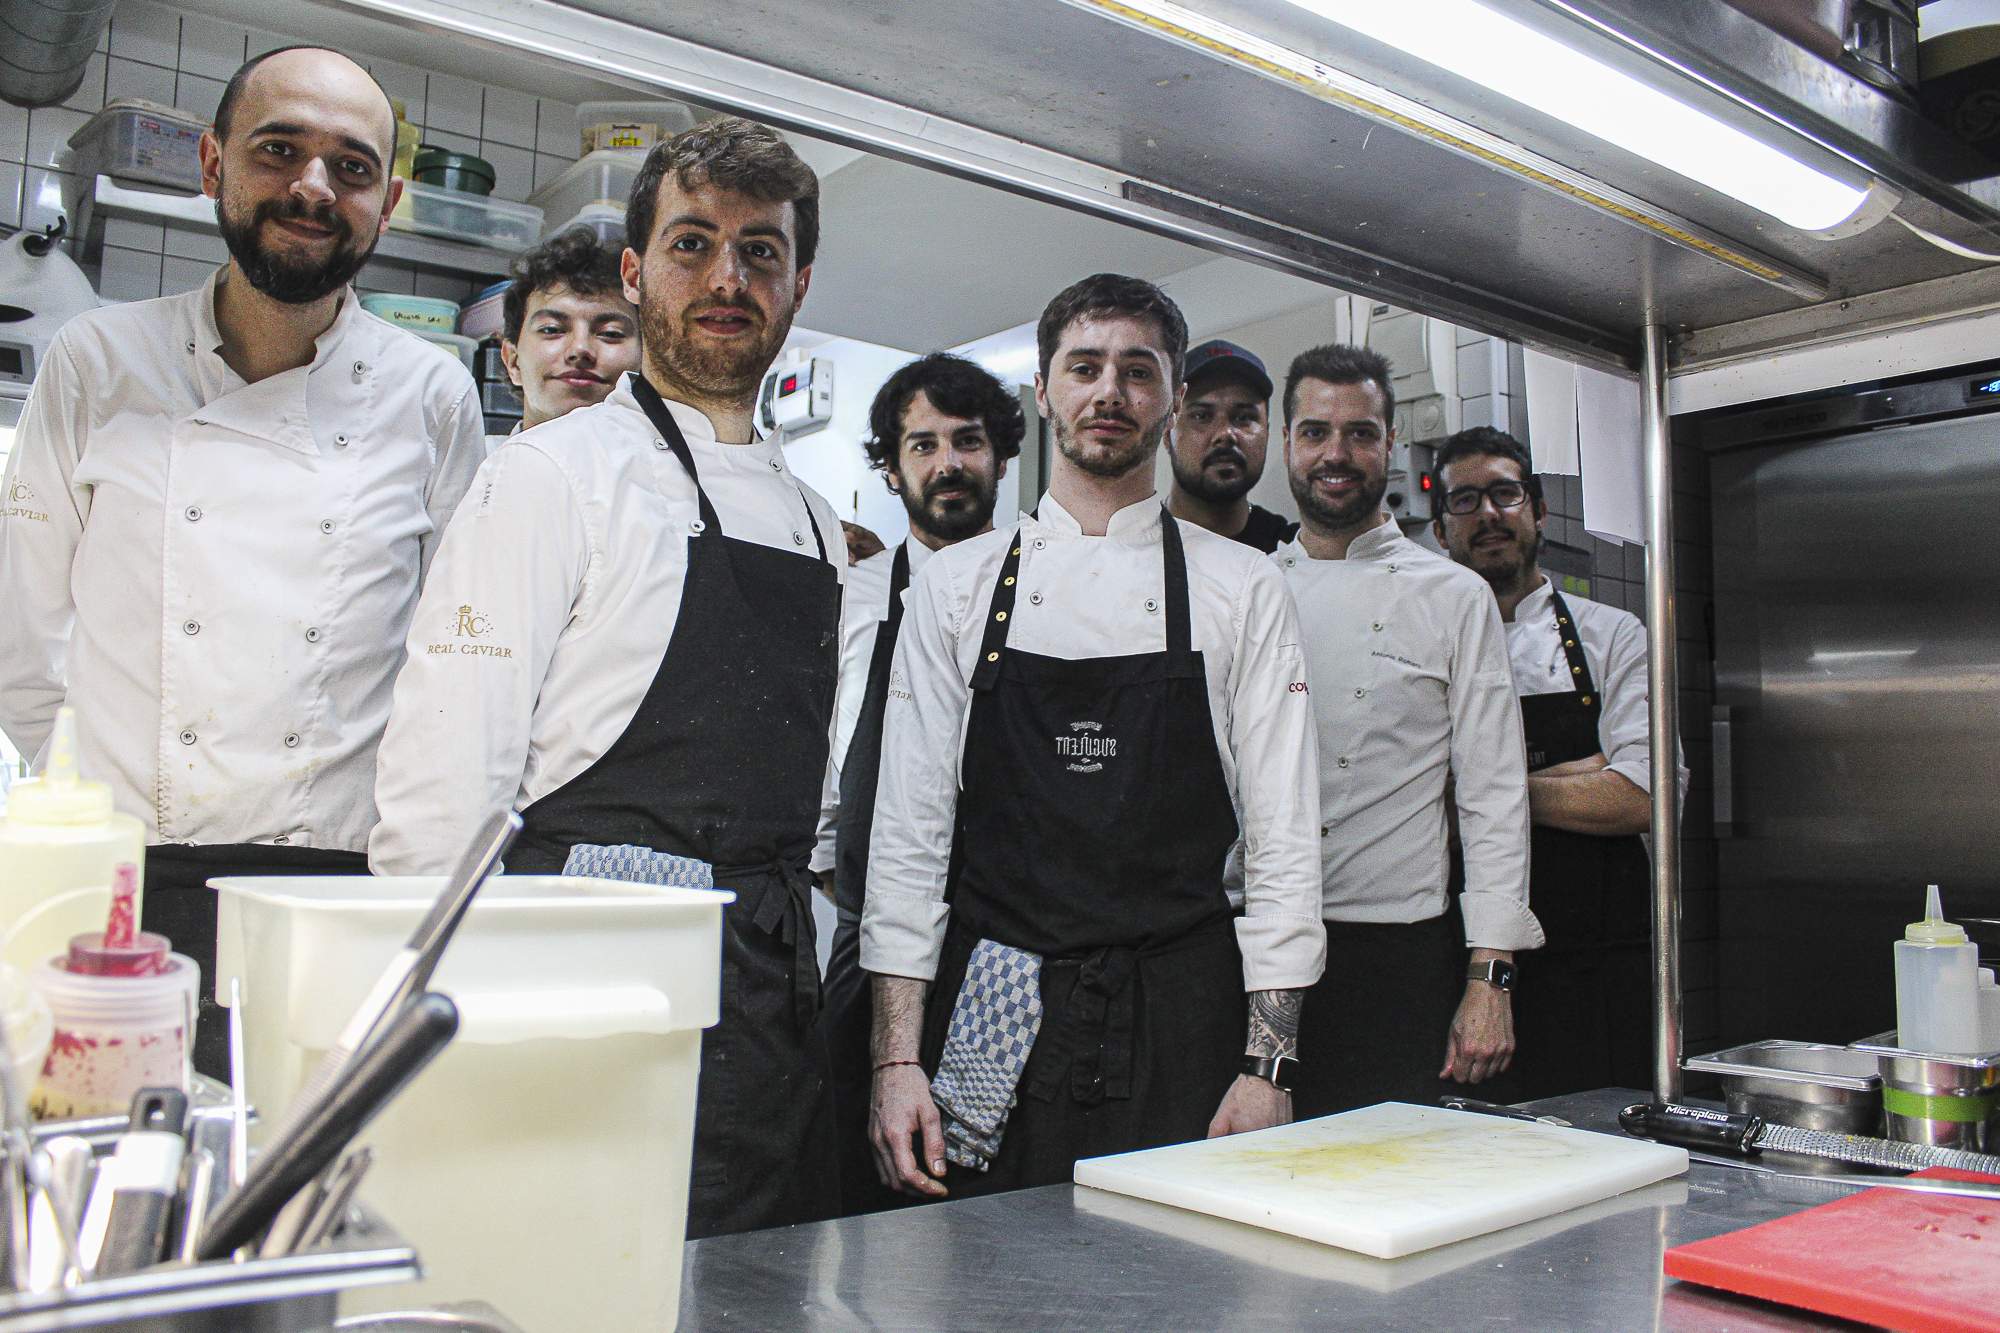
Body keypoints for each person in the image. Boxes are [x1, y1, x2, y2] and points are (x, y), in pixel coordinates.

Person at [369, 117, 843, 1237]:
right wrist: (440, 1022)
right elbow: (445, 783)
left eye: (760, 252)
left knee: (749, 1297)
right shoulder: (548, 476)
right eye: (691, 244)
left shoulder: (822, 526)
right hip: (581, 980)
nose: (726, 277)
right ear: (637, 273)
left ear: (798, 283)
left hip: (767, 991)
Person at [0, 45, 484, 1076]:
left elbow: (449, 672)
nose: (313, 188)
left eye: (351, 168)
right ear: (213, 165)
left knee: (302, 1188)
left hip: (336, 892)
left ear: (387, 202)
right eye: (279, 151)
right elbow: (21, 631)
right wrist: (89, 821)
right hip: (122, 882)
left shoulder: (432, 397)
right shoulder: (97, 359)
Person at [863, 274, 1326, 1203]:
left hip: (1183, 1016)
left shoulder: (1240, 586)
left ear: (1172, 399)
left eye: (1137, 371)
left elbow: (1284, 845)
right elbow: (908, 842)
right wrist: (894, 1063)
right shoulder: (960, 587)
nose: (1108, 392)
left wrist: (1266, 1068)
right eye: (1084, 367)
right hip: (997, 1004)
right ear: (1044, 391)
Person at [1270, 345, 1541, 1117]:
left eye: (1361, 433)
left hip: (1394, 954)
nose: (1337, 454)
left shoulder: (1454, 596)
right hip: (1258, 943)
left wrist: (1490, 981)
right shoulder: (1250, 589)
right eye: (1315, 431)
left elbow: (1493, 797)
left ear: (1391, 446)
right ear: (1288, 444)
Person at [814, 352, 1024, 1213]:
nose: (947, 463)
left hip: (995, 949)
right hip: (865, 948)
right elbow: (825, 761)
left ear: (1002, 456)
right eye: (923, 443)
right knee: (849, 1194)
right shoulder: (848, 591)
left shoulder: (1040, 586)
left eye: (968, 441)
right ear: (891, 465)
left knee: (977, 1203)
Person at [1432, 426, 1686, 1097]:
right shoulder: (1423, 650)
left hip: (1601, 971)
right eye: (1464, 501)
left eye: (1505, 494)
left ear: (1538, 511)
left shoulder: (1614, 635)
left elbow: (1648, 799)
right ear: (1439, 531)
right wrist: (1584, 772)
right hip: (1469, 973)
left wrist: (1479, 794)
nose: (1488, 514)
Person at [490, 224, 640, 448]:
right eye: (551, 329)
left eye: (611, 333)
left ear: (647, 362)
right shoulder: (472, 469)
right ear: (513, 362)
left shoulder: (668, 477)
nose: (580, 349)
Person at [1166, 339, 1296, 553]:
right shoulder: (1131, 547)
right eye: (1201, 416)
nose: (1225, 434)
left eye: (1244, 417)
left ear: (1267, 432)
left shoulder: (1288, 553)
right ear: (1166, 432)